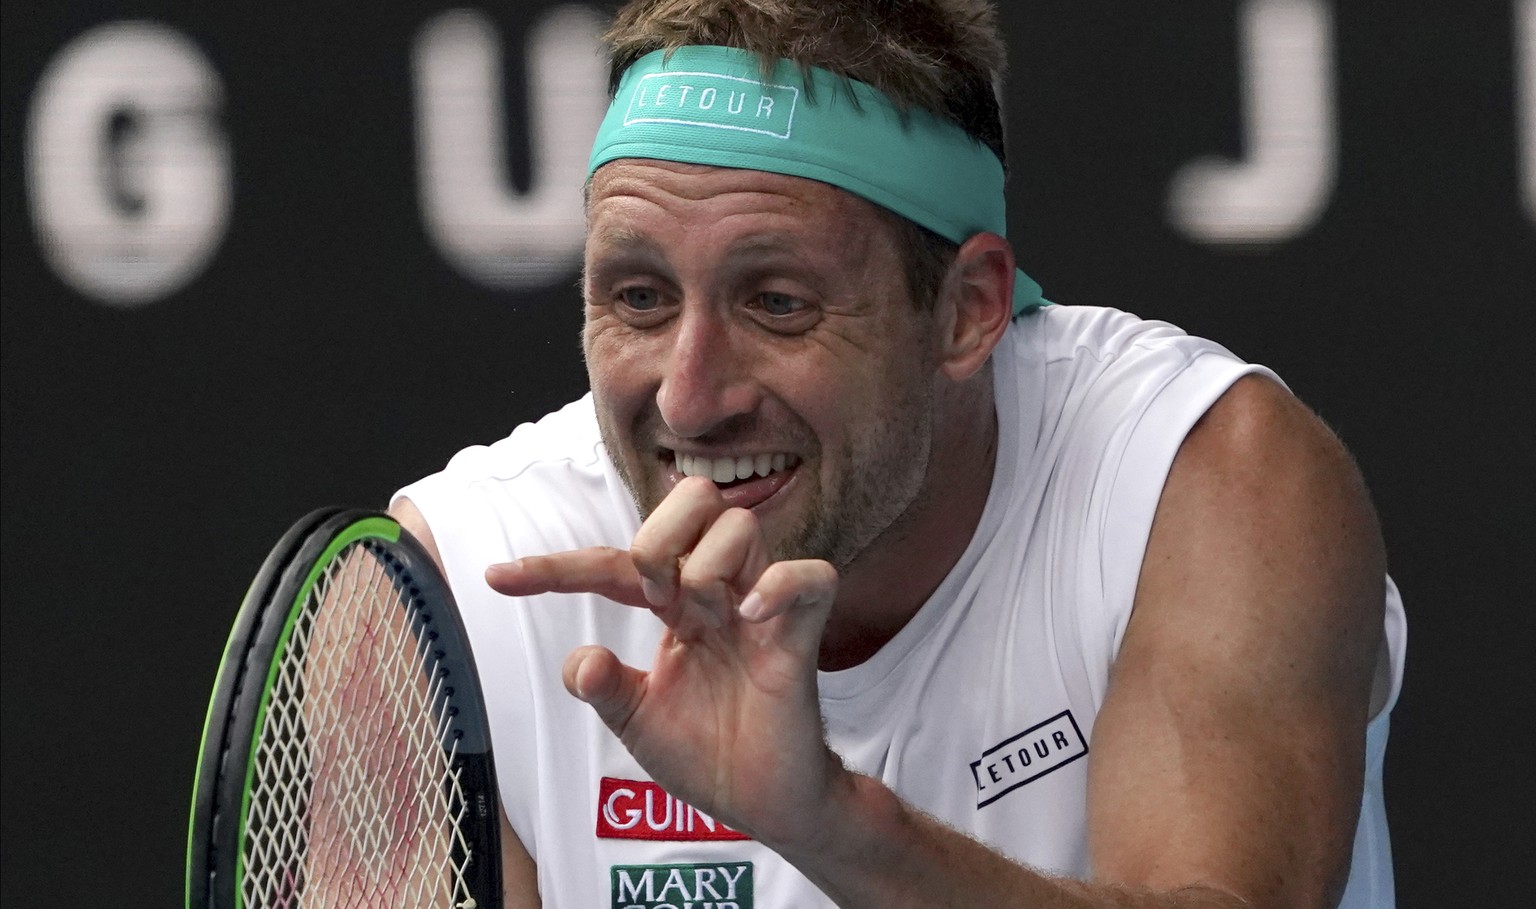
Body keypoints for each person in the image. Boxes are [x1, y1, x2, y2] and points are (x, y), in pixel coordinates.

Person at [392, 1, 1406, 906]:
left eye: (777, 304)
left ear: (967, 313)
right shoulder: (464, 584)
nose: (689, 399)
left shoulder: (1199, 478)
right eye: (639, 299)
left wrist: (828, 822)